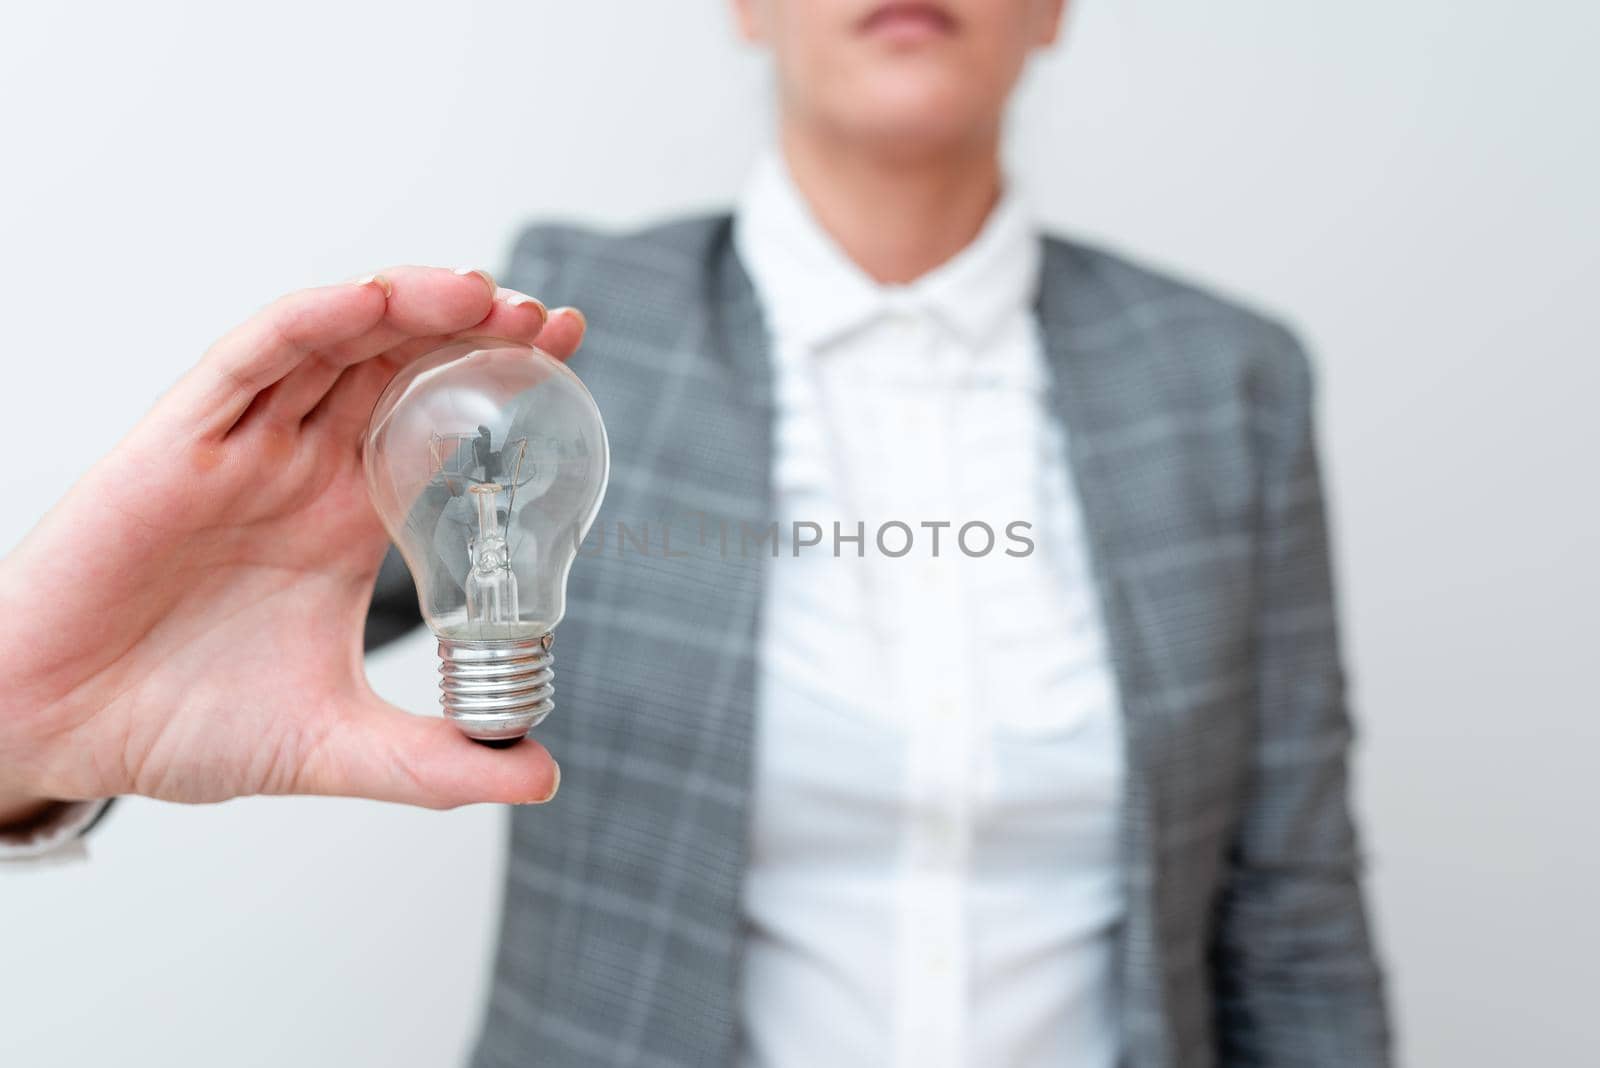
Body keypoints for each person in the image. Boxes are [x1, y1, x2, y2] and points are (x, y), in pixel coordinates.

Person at [0, 1, 1391, 1065]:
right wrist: (29, 729)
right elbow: (237, 630)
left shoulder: (1222, 380)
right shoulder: (565, 341)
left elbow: (1291, 893)